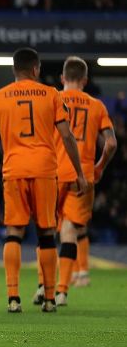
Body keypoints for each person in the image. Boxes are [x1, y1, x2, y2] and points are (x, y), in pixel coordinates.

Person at [0, 48, 87, 313]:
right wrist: (80, 172)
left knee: (14, 232)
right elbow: (68, 136)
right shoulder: (51, 95)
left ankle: (13, 298)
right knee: (46, 233)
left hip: (14, 172)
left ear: (14, 69)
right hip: (46, 171)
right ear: (36, 69)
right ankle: (49, 298)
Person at [32, 57, 117, 306]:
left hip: (53, 173)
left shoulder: (51, 99)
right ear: (85, 81)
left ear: (62, 78)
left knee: (46, 229)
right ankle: (61, 292)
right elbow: (111, 143)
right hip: (83, 177)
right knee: (70, 230)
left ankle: (42, 286)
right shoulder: (97, 105)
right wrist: (99, 167)